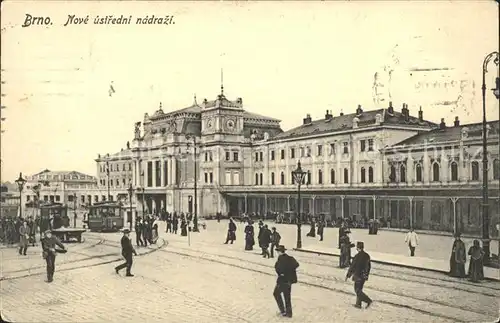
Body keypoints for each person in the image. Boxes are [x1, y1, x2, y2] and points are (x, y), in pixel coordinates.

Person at [273, 245, 299, 318]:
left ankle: (283, 311)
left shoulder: (281, 259)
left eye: (278, 251)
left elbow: (278, 268)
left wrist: (283, 273)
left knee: (276, 293)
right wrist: (290, 272)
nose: (277, 253)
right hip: (289, 281)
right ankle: (289, 313)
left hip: (282, 281)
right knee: (287, 296)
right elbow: (296, 265)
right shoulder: (290, 258)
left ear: (280, 252)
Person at [346, 241, 372, 309]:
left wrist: (348, 274)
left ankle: (368, 300)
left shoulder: (357, 256)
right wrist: (366, 275)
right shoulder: (367, 255)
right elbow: (368, 266)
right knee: (360, 289)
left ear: (358, 248)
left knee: (357, 290)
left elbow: (352, 266)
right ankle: (358, 304)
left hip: (358, 275)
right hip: (363, 276)